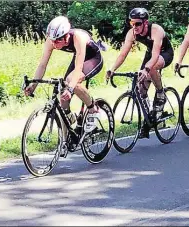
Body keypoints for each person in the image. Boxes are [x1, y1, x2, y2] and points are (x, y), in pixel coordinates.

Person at [24, 16, 104, 152]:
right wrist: (33, 86)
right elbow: (42, 65)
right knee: (62, 92)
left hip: (92, 58)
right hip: (79, 57)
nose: (54, 44)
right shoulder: (51, 41)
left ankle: (93, 108)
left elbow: (78, 69)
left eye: (57, 41)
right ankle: (66, 138)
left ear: (66, 37)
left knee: (71, 81)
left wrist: (71, 89)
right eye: (52, 41)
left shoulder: (78, 37)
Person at [106, 8, 174, 139]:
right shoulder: (132, 33)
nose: (134, 26)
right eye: (132, 23)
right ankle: (150, 117)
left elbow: (155, 56)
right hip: (150, 54)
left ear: (145, 22)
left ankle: (160, 93)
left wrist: (146, 69)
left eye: (138, 23)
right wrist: (112, 68)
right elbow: (123, 54)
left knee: (151, 68)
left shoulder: (156, 30)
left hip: (164, 53)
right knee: (140, 87)